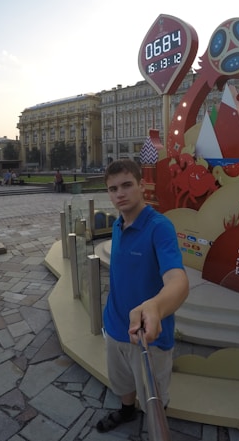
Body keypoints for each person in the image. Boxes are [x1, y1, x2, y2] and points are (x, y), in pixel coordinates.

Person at [96, 159, 189, 433]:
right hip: (115, 327)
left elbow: (177, 279)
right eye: (113, 189)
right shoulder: (118, 225)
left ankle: (154, 429)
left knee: (154, 396)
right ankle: (125, 412)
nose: (119, 194)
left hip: (149, 337)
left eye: (126, 185)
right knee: (122, 382)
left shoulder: (159, 227)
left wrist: (157, 306)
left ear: (143, 186)